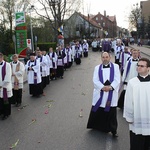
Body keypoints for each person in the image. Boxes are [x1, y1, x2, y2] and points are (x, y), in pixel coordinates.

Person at [87, 52, 121, 137]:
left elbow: (117, 79)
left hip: (111, 93)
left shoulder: (116, 67)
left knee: (111, 111)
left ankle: (113, 130)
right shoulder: (97, 68)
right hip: (100, 93)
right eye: (103, 57)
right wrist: (102, 87)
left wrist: (110, 87)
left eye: (107, 57)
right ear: (101, 58)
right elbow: (95, 80)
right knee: (99, 109)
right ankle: (97, 126)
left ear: (110, 57)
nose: (105, 59)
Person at [123, 58, 150, 150]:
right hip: (137, 118)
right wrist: (129, 117)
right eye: (138, 65)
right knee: (137, 143)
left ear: (148, 68)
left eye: (142, 66)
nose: (139, 67)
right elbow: (128, 101)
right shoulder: (132, 82)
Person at [0, 53, 12, 120]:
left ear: (2, 58)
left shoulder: (7, 65)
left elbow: (7, 77)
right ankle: (1, 112)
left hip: (5, 87)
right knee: (0, 101)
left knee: (6, 101)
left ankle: (6, 113)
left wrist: (1, 85)